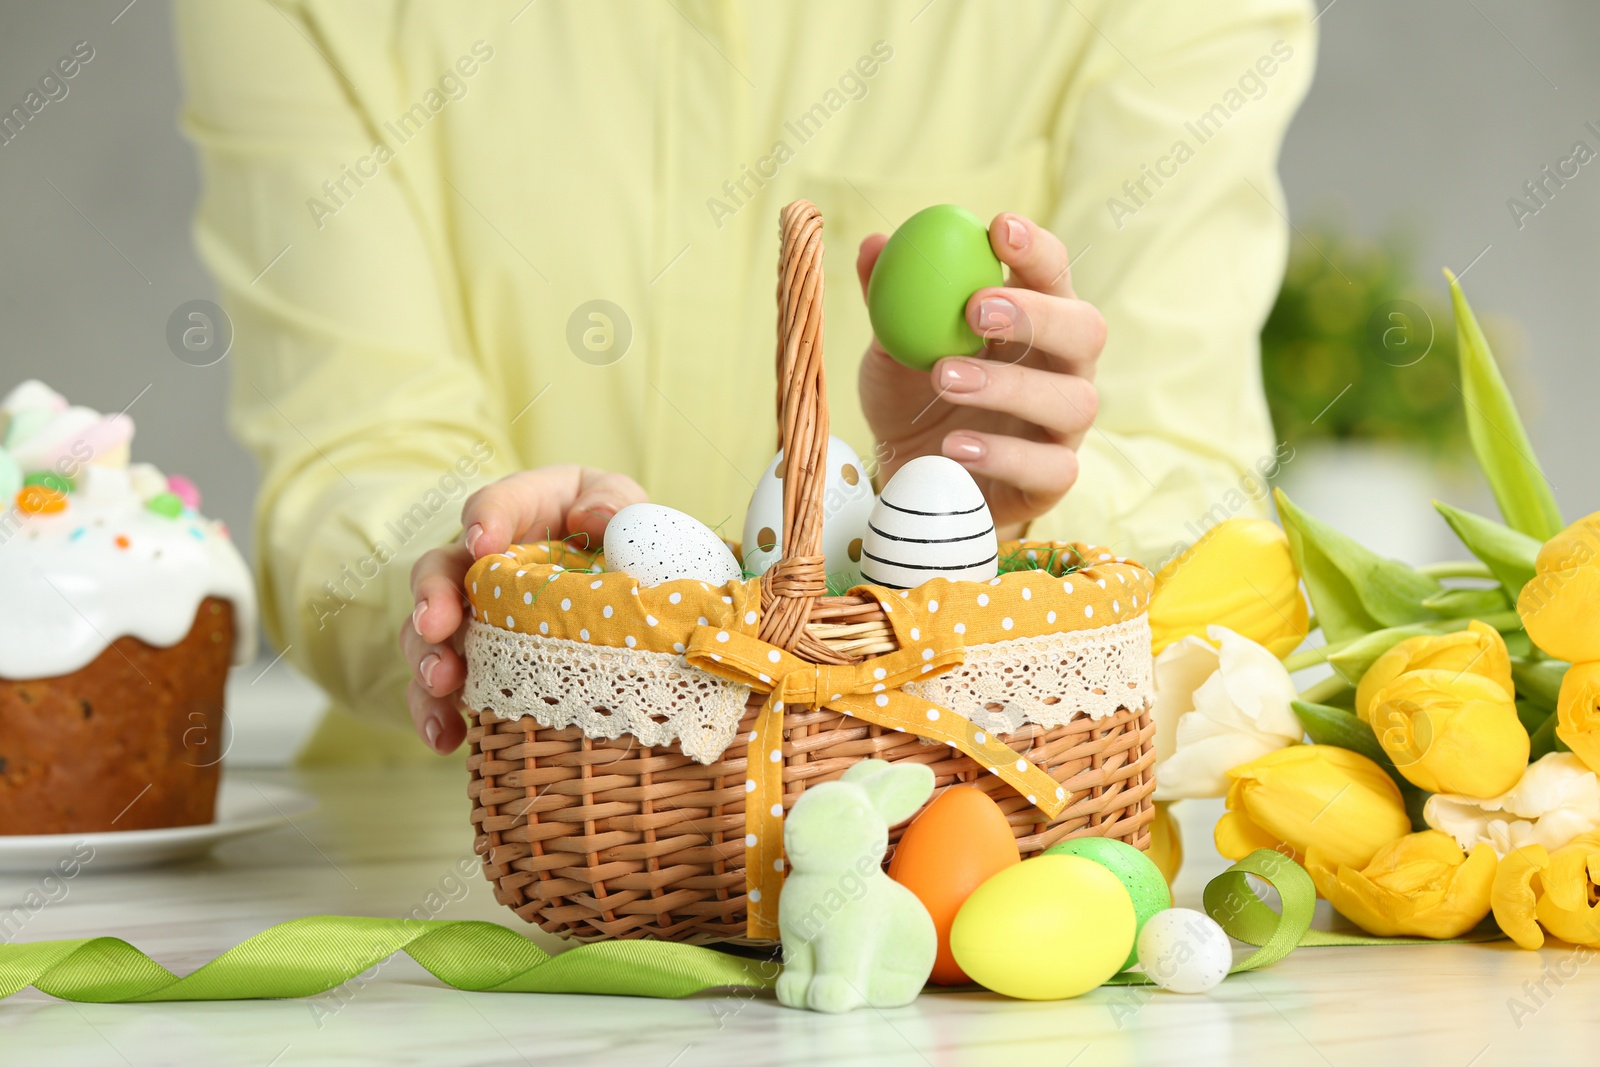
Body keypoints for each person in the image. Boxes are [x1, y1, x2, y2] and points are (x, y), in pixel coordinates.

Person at [172, 0, 1315, 757]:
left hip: (960, 857)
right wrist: (497, 577)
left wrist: (952, 523)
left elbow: (1198, 500)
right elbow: (343, 472)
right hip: (492, 867)